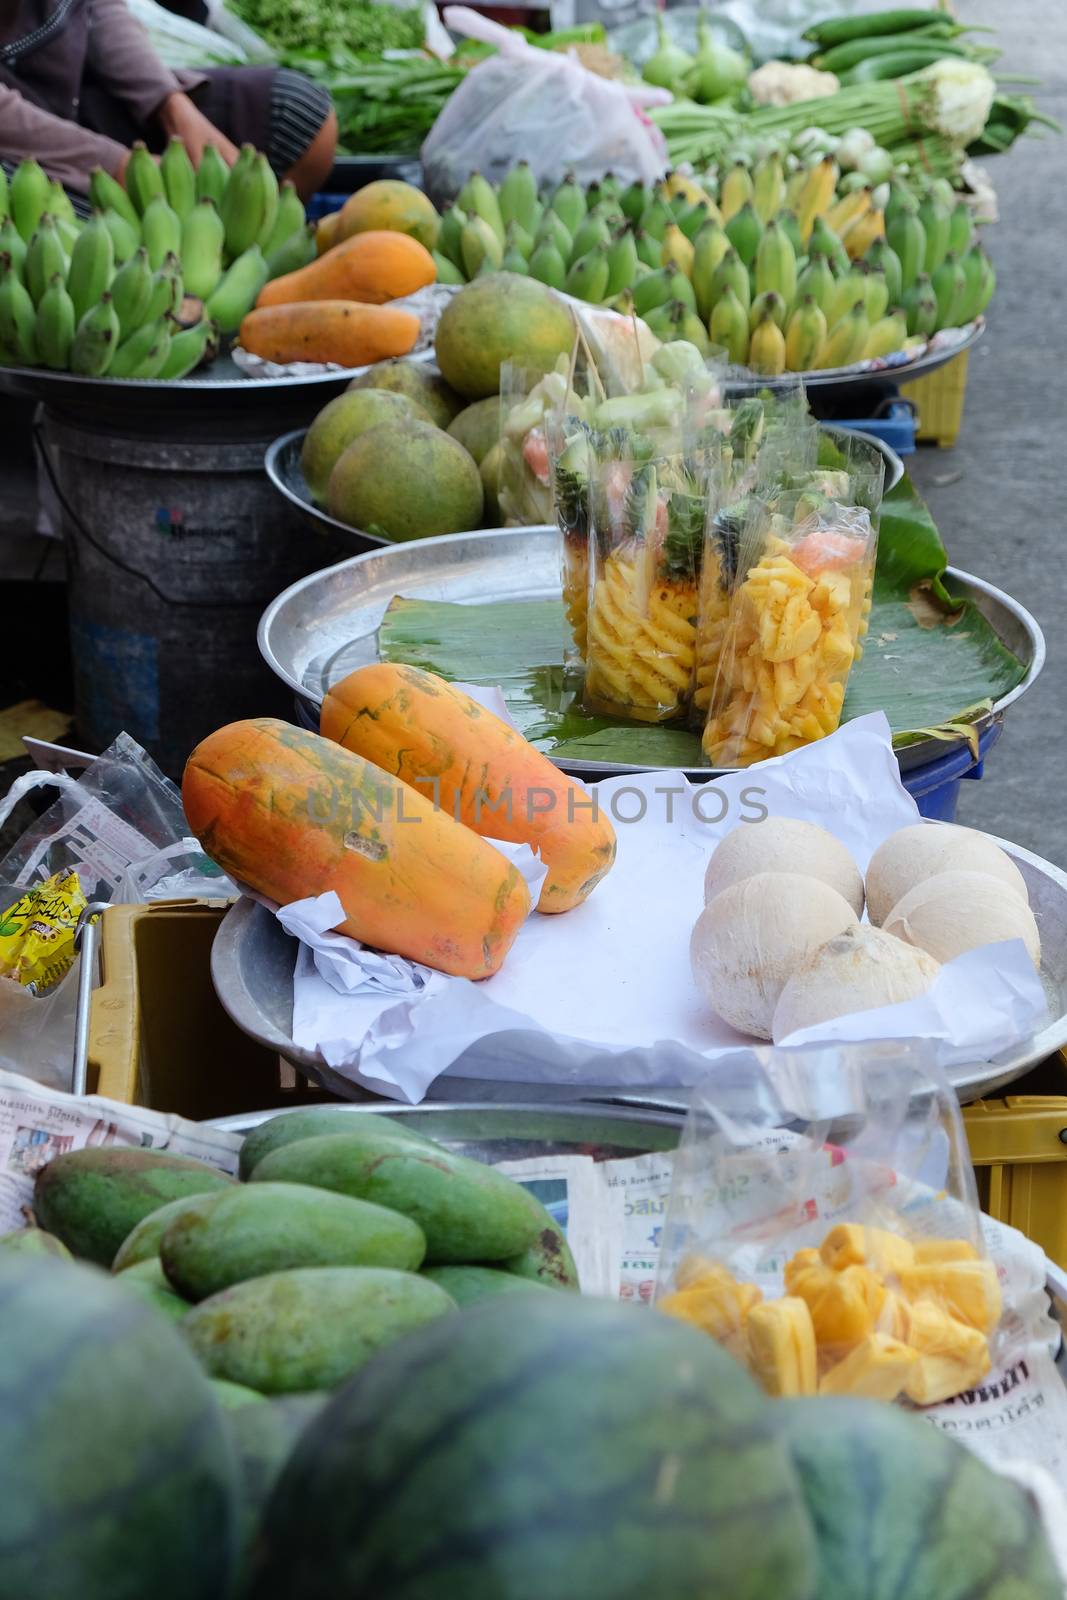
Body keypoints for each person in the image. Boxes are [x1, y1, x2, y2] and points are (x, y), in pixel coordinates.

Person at [0, 0, 337, 202]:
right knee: (89, 235)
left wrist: (173, 107)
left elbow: (99, 10)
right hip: (14, 147)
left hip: (77, 97)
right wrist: (122, 167)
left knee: (299, 112)